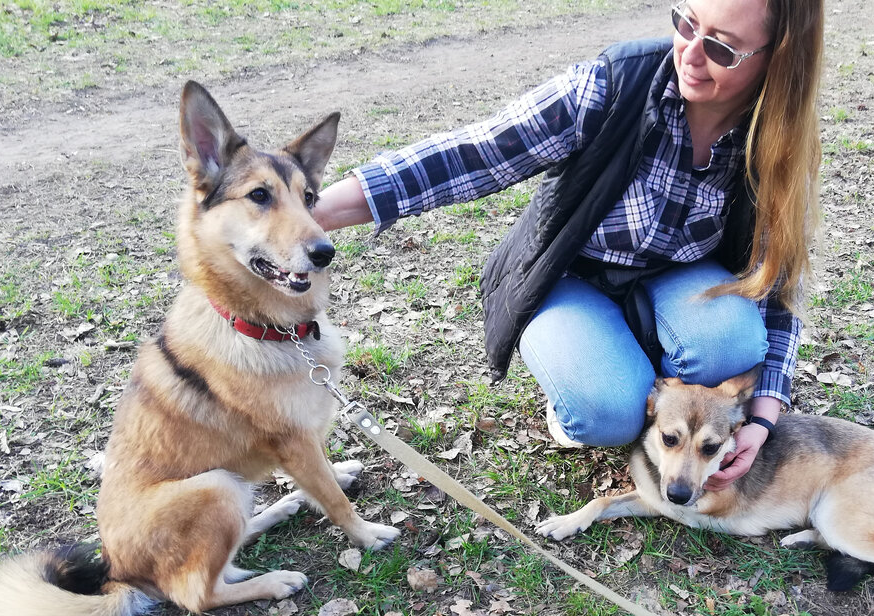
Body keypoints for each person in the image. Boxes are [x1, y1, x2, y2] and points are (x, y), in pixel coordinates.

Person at [314, 0, 823, 486]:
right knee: (608, 410)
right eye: (686, 23)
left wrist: (764, 417)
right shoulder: (613, 86)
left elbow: (779, 282)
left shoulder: (776, 138)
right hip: (569, 277)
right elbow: (473, 153)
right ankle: (595, 374)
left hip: (674, 280)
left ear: (776, 57)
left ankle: (644, 372)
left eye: (722, 49)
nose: (688, 54)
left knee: (733, 345)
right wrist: (306, 213)